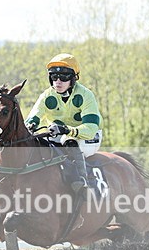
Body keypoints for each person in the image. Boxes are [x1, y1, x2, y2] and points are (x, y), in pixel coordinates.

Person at [25, 53, 102, 193]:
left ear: (73, 78)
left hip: (88, 137)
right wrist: (30, 127)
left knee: (69, 141)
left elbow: (91, 128)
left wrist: (67, 130)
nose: (58, 82)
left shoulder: (86, 95)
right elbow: (33, 117)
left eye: (64, 77)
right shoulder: (47, 95)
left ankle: (82, 182)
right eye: (54, 77)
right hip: (57, 134)